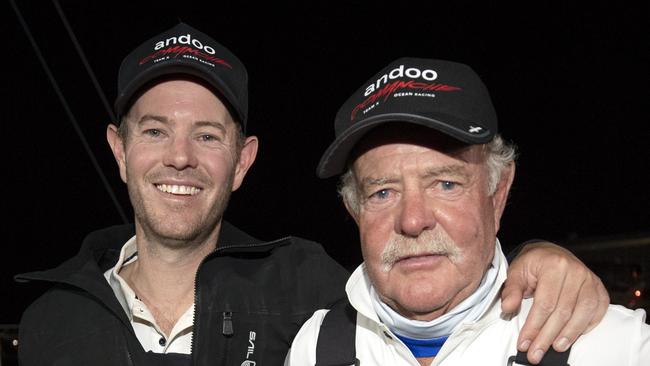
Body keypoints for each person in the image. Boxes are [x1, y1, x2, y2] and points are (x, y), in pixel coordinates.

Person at [16, 24, 608, 366]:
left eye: (207, 135)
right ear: (119, 150)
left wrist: (540, 257)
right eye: (154, 131)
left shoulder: (307, 291)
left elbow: (428, 279)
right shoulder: (48, 322)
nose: (179, 157)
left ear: (243, 160)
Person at [285, 57, 650, 366]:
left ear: (498, 193)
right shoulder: (314, 347)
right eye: (383, 192)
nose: (413, 221)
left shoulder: (612, 346)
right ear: (354, 210)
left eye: (445, 184)